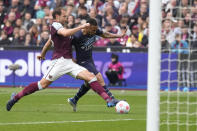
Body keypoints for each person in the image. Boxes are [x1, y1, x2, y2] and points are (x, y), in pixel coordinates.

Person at [6, 8, 116, 111]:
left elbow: (49, 43)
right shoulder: (55, 25)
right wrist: (81, 27)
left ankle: (108, 99)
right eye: (64, 16)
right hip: (59, 62)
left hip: (69, 62)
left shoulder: (63, 27)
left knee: (91, 77)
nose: (66, 17)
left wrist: (42, 54)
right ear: (57, 17)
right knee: (42, 85)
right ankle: (15, 98)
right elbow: (64, 33)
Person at [68, 18, 126, 111]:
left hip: (90, 60)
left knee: (89, 82)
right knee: (98, 76)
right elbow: (67, 46)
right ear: (87, 27)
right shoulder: (77, 35)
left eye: (96, 30)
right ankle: (111, 98)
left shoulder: (93, 30)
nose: (95, 32)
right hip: (82, 62)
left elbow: (105, 34)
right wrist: (71, 59)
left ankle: (74, 99)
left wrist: (119, 35)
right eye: (93, 30)